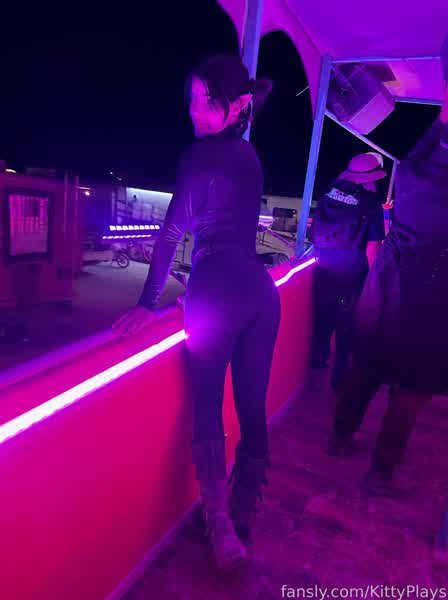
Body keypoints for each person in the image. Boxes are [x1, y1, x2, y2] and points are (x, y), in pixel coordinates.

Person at [112, 54, 280, 573]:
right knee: (252, 409)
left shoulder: (198, 156)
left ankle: (220, 529)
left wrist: (148, 303)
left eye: (206, 101)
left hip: (216, 293)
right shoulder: (249, 156)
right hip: (260, 293)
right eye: (192, 99)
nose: (193, 109)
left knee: (207, 408)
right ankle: (242, 515)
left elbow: (170, 235)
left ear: (235, 106)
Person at [327, 33, 448, 494]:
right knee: (411, 390)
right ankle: (380, 472)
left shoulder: (415, 171)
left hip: (386, 288)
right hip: (431, 298)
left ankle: (339, 437)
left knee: (366, 366)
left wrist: (443, 112)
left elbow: (426, 144)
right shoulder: (428, 174)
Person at [309, 153, 386, 392]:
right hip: (351, 272)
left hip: (323, 267)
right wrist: (373, 278)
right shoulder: (371, 204)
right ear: (371, 178)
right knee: (346, 327)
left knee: (322, 320)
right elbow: (373, 247)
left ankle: (316, 364)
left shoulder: (328, 194)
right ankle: (339, 380)